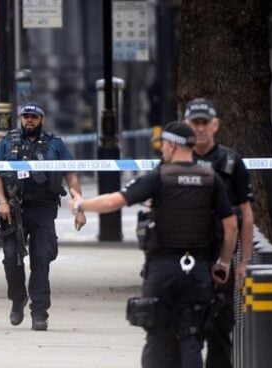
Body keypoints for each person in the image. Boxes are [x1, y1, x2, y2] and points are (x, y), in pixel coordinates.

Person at [68, 121, 238, 368]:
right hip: (199, 269)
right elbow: (231, 225)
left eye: (163, 146)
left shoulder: (160, 177)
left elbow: (113, 202)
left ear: (171, 145)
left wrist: (80, 204)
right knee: (192, 338)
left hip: (163, 269)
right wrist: (223, 262)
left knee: (157, 338)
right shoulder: (210, 178)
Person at [0, 101, 86, 331]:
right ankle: (17, 299)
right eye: (25, 117)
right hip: (13, 209)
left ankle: (40, 312)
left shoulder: (55, 144)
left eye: (33, 117)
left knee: (41, 261)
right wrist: (2, 202)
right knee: (11, 258)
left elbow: (71, 176)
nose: (28, 120)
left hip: (42, 209)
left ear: (42, 119)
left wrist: (80, 208)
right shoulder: (8, 142)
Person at [183, 98, 254, 368]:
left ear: (215, 125)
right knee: (186, 329)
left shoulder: (231, 161)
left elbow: (246, 215)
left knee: (220, 329)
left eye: (204, 123)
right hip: (185, 255)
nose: (200, 128)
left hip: (219, 257)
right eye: (194, 123)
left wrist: (244, 261)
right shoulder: (177, 157)